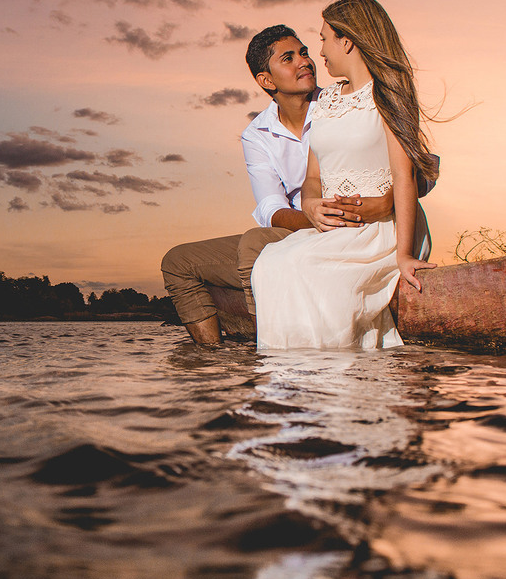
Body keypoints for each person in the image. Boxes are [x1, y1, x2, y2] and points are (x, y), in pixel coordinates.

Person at [161, 24, 433, 345]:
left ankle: (273, 349)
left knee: (254, 245)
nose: (304, 61)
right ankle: (213, 359)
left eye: (304, 52)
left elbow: (423, 170)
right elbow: (270, 207)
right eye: (288, 58)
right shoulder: (258, 134)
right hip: (299, 225)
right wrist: (316, 214)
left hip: (360, 221)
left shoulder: (343, 100)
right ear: (266, 80)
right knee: (177, 261)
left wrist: (377, 204)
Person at [251, 0, 438, 350]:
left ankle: (336, 378)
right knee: (270, 264)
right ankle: (298, 383)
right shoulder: (326, 101)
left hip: (381, 230)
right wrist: (310, 206)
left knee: (305, 267)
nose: (317, 53)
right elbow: (312, 178)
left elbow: (404, 178)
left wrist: (404, 255)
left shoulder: (388, 95)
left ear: (347, 41)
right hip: (336, 229)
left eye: (323, 39)